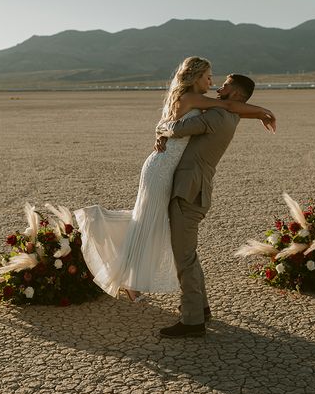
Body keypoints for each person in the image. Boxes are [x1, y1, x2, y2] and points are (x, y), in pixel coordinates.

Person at [74, 57, 275, 302]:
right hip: (161, 167)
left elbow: (226, 110)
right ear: (195, 77)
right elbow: (230, 107)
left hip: (167, 167)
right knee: (149, 221)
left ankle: (128, 278)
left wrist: (260, 114)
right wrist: (264, 112)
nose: (212, 82)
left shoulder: (196, 101)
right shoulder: (192, 99)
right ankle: (122, 268)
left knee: (147, 220)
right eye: (208, 77)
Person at [156, 73, 266, 338]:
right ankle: (201, 309)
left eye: (226, 85)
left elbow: (179, 129)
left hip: (189, 192)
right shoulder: (229, 115)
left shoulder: (218, 116)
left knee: (184, 257)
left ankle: (192, 320)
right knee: (188, 254)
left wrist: (161, 129)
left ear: (237, 94)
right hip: (195, 190)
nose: (220, 87)